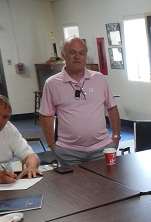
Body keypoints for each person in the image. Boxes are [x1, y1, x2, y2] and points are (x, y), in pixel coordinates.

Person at [39, 36, 121, 166]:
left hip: (102, 148)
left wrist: (116, 137)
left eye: (81, 53)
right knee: (74, 186)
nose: (77, 57)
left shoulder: (99, 79)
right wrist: (52, 145)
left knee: (105, 185)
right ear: (63, 54)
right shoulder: (52, 84)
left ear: (85, 56)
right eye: (72, 52)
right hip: (68, 152)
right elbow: (46, 116)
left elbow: (112, 108)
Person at [0, 93, 41, 186]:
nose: (0, 122)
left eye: (5, 117)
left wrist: (32, 167)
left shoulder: (8, 128)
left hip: (8, 184)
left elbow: (29, 155)